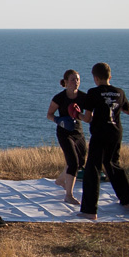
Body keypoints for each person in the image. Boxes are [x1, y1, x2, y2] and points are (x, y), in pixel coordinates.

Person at [79, 62, 129, 220]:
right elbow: (128, 111)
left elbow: (87, 118)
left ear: (96, 78)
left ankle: (89, 210)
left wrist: (77, 114)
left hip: (100, 133)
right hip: (116, 132)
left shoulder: (93, 92)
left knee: (93, 169)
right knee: (113, 164)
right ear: (110, 77)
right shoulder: (120, 92)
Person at [46, 69, 87, 205]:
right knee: (73, 162)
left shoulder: (83, 97)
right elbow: (49, 115)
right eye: (73, 80)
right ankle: (69, 195)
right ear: (66, 82)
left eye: (78, 79)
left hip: (78, 132)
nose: (76, 82)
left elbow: (89, 116)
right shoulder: (59, 97)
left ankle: (60, 180)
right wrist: (59, 120)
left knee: (80, 162)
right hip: (64, 132)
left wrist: (79, 115)